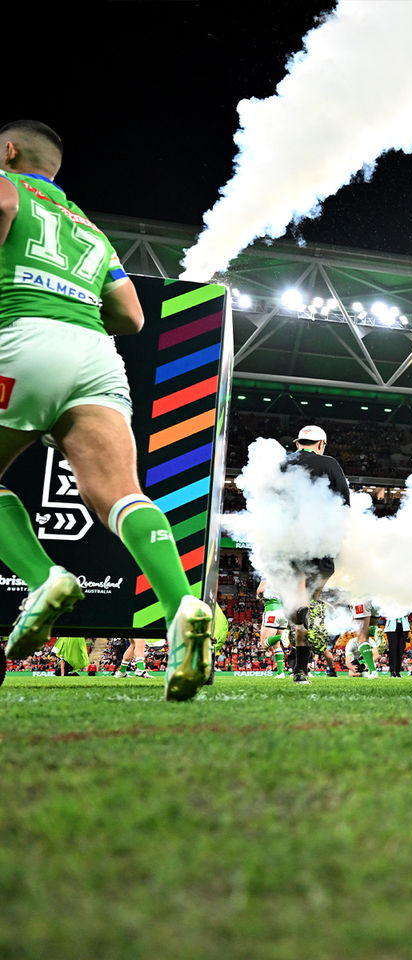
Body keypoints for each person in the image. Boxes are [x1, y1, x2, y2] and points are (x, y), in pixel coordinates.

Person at [0, 120, 211, 701]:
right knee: (121, 494)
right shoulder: (89, 229)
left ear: (9, 151)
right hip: (96, 353)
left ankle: (45, 578)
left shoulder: (3, 181)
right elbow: (132, 315)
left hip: (20, 335)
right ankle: (181, 607)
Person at [280, 424, 350, 684]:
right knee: (312, 598)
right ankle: (302, 668)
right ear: (321, 444)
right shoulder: (329, 463)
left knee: (298, 603)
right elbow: (344, 501)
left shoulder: (283, 464)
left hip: (290, 541)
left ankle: (299, 670)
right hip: (320, 542)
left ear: (299, 443)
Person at [256, 578, 290, 677]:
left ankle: (283, 636)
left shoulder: (268, 573)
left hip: (272, 611)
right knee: (276, 645)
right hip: (284, 612)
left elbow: (261, 590)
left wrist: (259, 596)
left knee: (264, 644)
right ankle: (281, 673)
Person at [384, 613, 410, 677]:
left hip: (404, 628)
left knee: (400, 651)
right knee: (393, 650)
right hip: (391, 628)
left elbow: (408, 612)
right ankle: (392, 671)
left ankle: (398, 671)